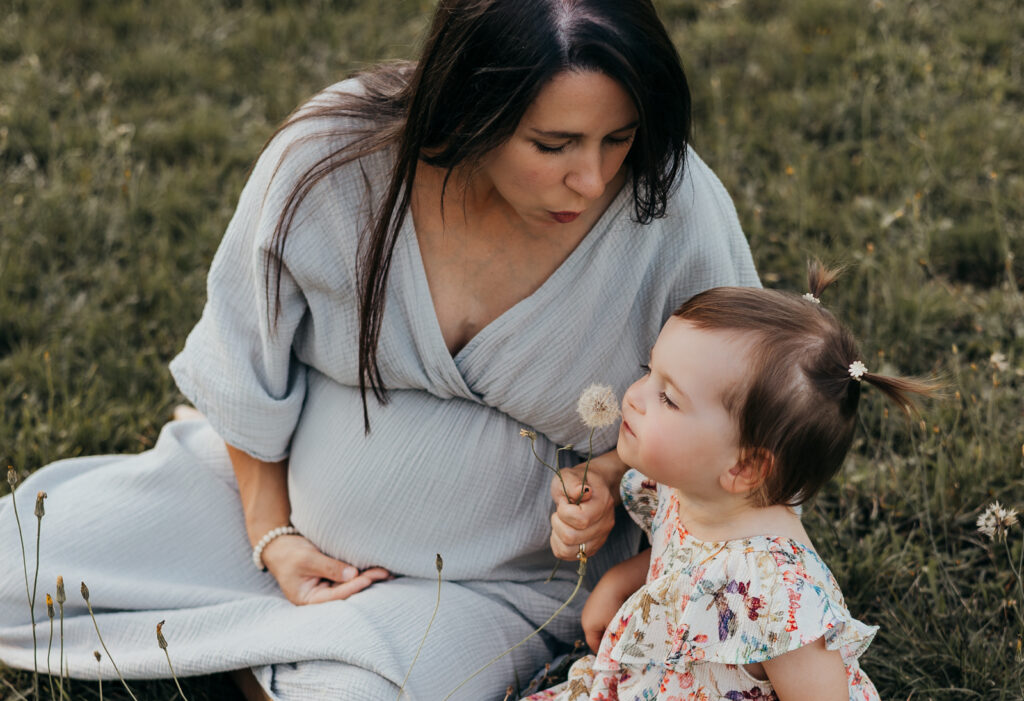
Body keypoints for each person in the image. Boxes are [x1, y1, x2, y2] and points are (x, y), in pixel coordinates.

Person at [0, 1, 760, 698]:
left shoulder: (674, 208)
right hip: (258, 508)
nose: (592, 178)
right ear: (472, 107)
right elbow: (243, 359)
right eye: (552, 143)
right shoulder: (335, 159)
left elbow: (745, 425)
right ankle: (268, 637)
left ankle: (279, 658)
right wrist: (273, 537)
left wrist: (623, 514)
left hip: (495, 587)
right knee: (13, 567)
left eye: (617, 139)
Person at [525, 264, 937, 701]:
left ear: (744, 469)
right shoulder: (689, 487)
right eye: (649, 370)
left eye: (668, 397)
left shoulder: (779, 591)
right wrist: (619, 584)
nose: (634, 395)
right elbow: (680, 564)